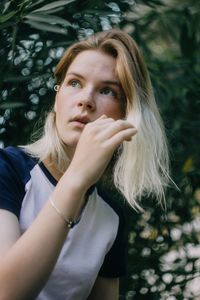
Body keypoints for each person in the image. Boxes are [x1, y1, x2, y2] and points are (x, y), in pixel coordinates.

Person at [0, 29, 171, 300]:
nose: (85, 100)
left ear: (127, 114)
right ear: (57, 98)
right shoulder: (7, 168)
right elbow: (7, 292)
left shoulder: (110, 217)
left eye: (107, 91)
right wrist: (76, 178)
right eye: (74, 83)